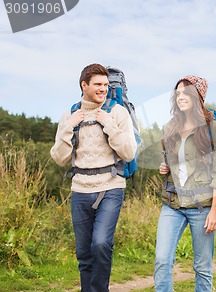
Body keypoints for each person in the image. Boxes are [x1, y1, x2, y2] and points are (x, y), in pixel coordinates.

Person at [50, 63, 137, 291]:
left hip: (111, 187)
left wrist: (108, 124)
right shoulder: (69, 114)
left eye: (106, 85)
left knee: (101, 243)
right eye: (98, 84)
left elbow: (128, 152)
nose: (103, 89)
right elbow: (59, 158)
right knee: (84, 253)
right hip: (80, 189)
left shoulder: (117, 112)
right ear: (84, 85)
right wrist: (69, 127)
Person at [154, 75, 216, 292]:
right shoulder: (169, 127)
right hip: (172, 204)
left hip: (202, 206)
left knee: (202, 267)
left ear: (199, 96)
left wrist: (215, 210)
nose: (181, 97)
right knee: (162, 260)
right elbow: (172, 161)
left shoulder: (213, 129)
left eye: (186, 92)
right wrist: (165, 167)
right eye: (177, 93)